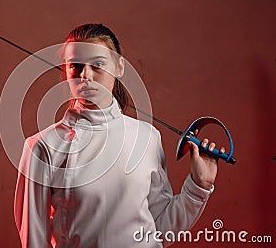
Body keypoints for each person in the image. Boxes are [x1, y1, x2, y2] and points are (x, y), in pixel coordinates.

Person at [14, 23, 223, 248]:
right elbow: (34, 241)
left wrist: (199, 186)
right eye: (75, 66)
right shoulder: (43, 146)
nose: (86, 76)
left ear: (119, 67)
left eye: (98, 65)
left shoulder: (147, 137)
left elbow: (158, 230)